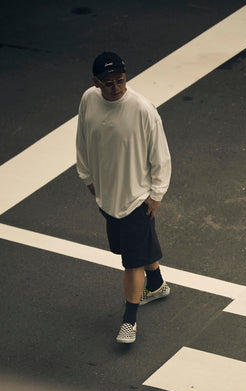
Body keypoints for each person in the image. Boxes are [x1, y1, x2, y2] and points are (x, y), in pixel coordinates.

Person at [76, 52, 172, 344]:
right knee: (132, 249)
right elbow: (82, 138)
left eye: (120, 80)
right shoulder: (88, 100)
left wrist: (156, 195)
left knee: (131, 262)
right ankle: (155, 284)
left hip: (137, 200)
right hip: (107, 198)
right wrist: (88, 179)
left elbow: (161, 155)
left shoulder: (142, 109)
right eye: (109, 83)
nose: (116, 87)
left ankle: (129, 320)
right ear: (96, 83)